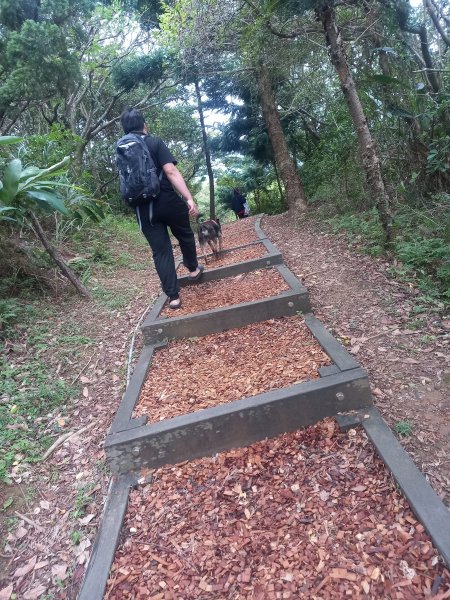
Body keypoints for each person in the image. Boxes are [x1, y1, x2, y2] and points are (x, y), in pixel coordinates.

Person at [119, 107, 203, 309]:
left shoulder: (122, 149)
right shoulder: (154, 142)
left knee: (161, 251)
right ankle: (193, 269)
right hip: (167, 200)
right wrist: (188, 198)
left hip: (142, 209)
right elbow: (171, 171)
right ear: (144, 125)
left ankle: (173, 297)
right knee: (184, 233)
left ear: (124, 128)